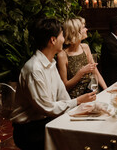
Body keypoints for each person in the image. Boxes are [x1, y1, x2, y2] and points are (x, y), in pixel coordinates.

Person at [10, 18, 96, 150]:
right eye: (62, 35)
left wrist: (77, 111)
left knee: (87, 126)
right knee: (74, 139)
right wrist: (77, 101)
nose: (64, 38)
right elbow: (46, 107)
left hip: (46, 120)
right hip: (29, 129)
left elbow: (63, 95)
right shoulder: (34, 69)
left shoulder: (50, 63)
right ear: (53, 40)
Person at [57, 17, 107, 99]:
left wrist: (106, 90)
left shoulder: (85, 47)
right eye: (83, 27)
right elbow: (65, 87)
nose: (86, 29)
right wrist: (81, 72)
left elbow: (95, 72)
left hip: (91, 93)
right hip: (75, 99)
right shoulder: (62, 55)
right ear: (75, 32)